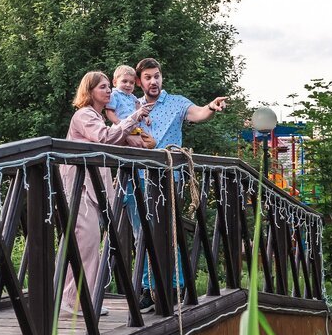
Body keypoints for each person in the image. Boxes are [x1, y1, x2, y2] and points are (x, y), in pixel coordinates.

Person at [132, 57, 227, 310]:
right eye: (148, 77)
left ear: (162, 77)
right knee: (142, 233)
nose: (154, 81)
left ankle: (177, 284)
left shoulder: (176, 102)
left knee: (170, 231)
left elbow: (197, 113)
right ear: (140, 81)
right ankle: (147, 288)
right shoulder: (133, 106)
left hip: (168, 177)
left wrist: (211, 106)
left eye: (157, 76)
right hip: (139, 176)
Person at [61, 71, 153, 318]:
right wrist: (133, 117)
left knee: (87, 243)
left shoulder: (96, 117)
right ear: (89, 91)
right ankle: (76, 301)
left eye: (108, 87)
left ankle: (78, 299)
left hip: (90, 189)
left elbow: (110, 140)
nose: (108, 91)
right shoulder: (84, 115)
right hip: (79, 189)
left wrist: (137, 136)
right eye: (102, 87)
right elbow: (104, 138)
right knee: (87, 242)